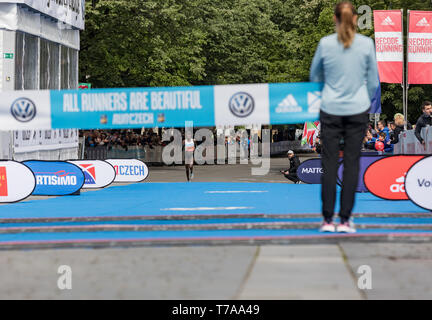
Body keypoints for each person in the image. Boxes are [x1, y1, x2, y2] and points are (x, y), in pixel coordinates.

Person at [310, 1, 379, 233]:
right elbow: (374, 83)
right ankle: (346, 220)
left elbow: (314, 76)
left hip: (330, 108)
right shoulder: (366, 44)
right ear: (355, 20)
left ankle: (328, 220)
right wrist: (362, 98)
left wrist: (327, 92)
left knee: (328, 164)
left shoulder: (326, 43)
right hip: (357, 109)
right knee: (351, 163)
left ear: (334, 19)